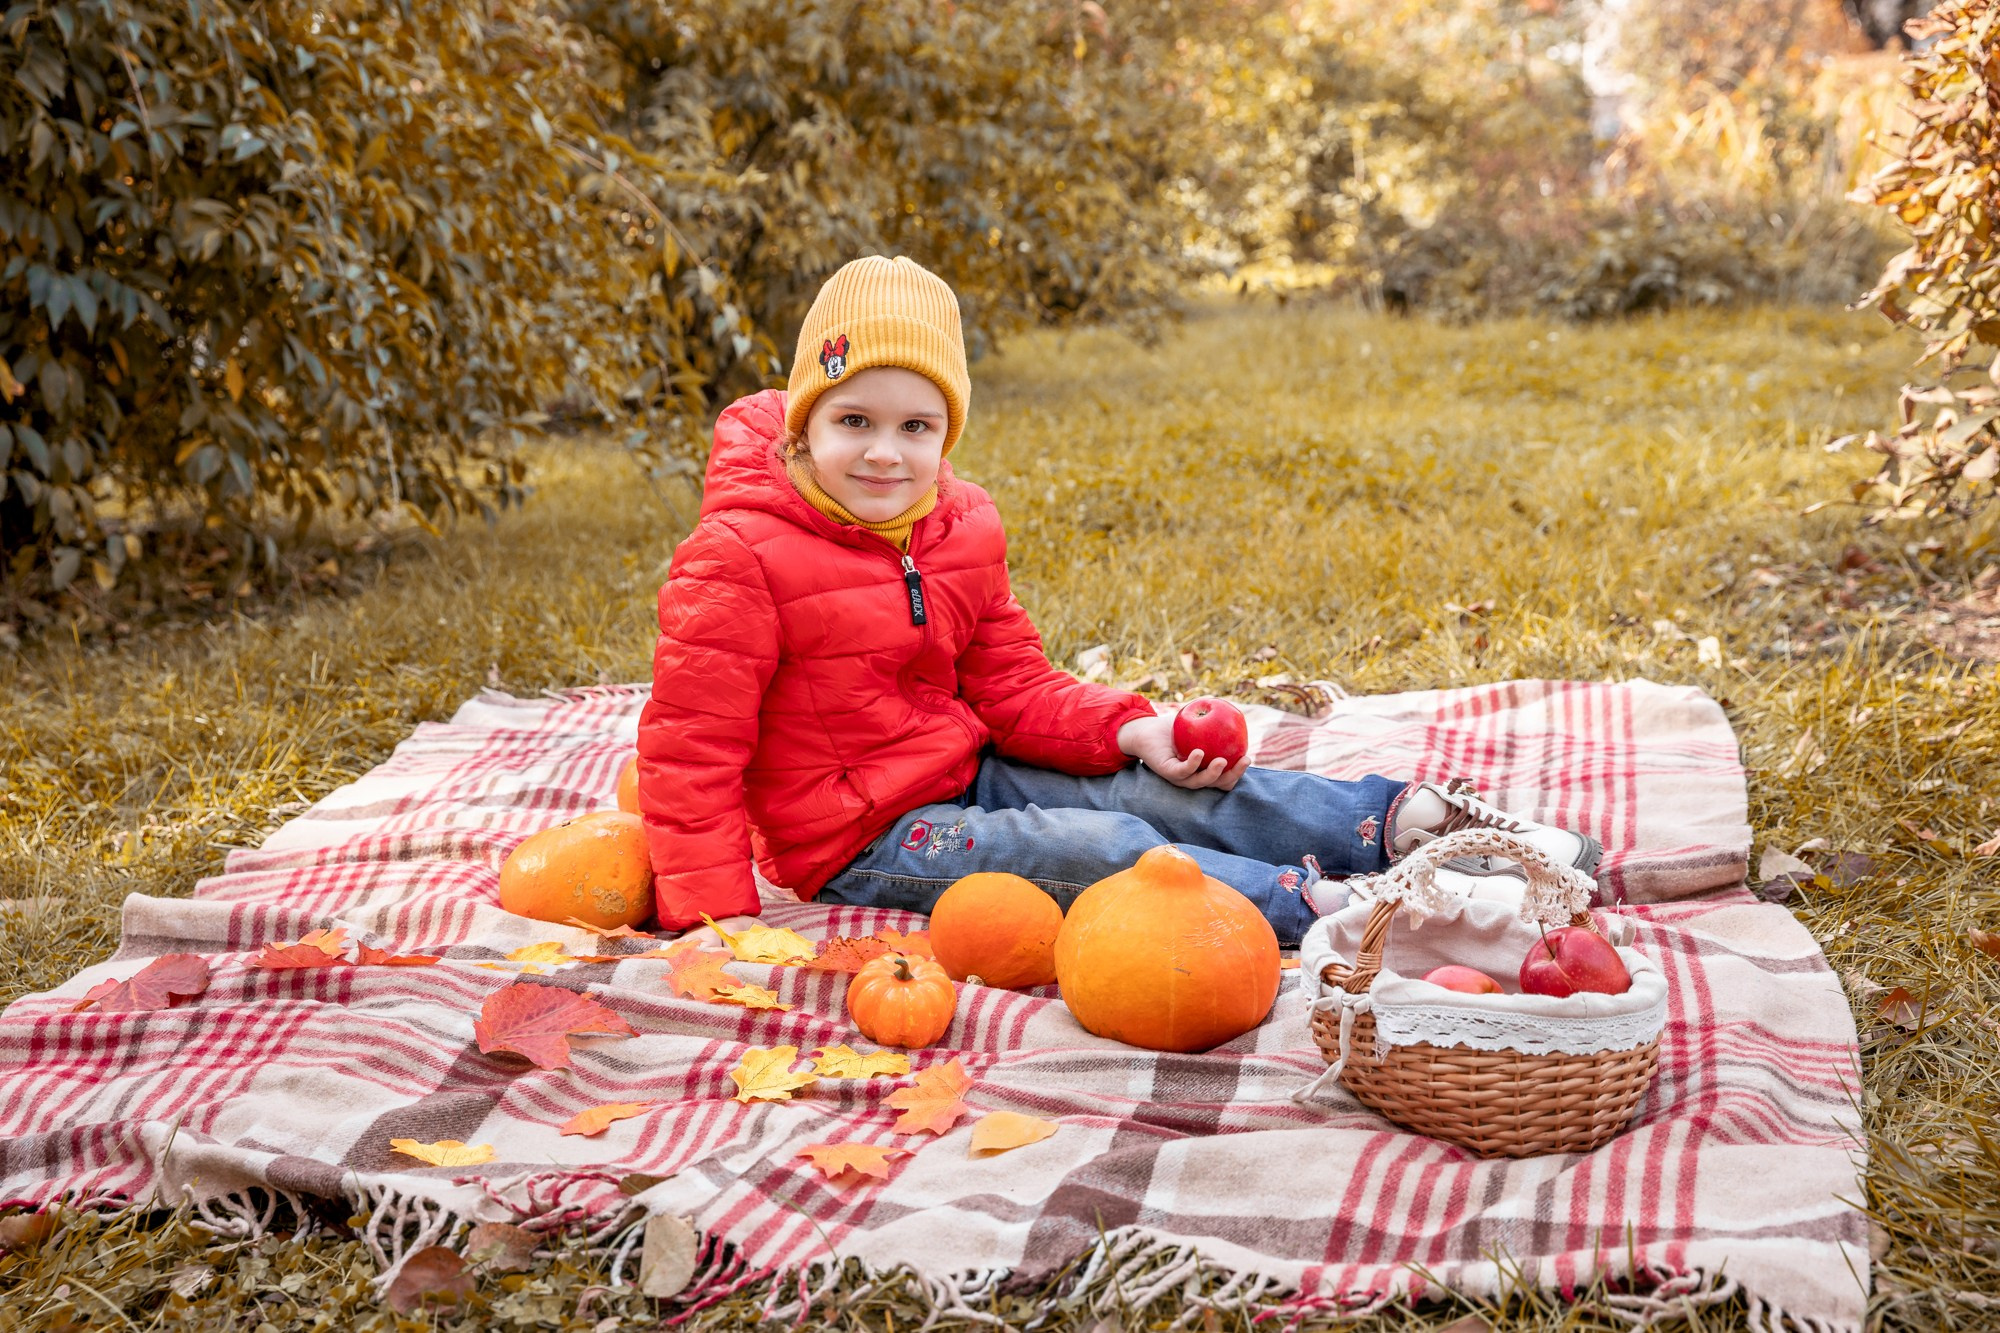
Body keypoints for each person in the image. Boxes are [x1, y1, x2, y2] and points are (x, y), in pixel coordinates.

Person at [634, 256, 1597, 948]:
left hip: (966, 769)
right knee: (1098, 842)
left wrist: (1128, 732)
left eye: (915, 425)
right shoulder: (737, 557)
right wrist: (712, 916)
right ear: (806, 425)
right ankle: (1334, 914)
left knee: (1160, 786)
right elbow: (689, 748)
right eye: (854, 421)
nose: (885, 452)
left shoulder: (958, 524)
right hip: (855, 836)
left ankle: (1410, 831)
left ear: (946, 430)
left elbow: (1009, 680)